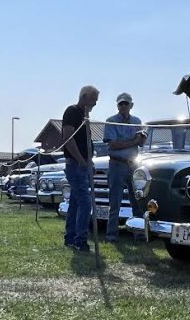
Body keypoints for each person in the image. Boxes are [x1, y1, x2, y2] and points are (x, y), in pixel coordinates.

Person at [103, 92, 146, 242]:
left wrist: (136, 140)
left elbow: (141, 142)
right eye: (120, 103)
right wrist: (133, 141)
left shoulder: (137, 121)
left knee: (138, 200)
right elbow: (113, 144)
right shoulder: (111, 121)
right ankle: (112, 234)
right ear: (117, 105)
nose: (123, 106)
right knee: (115, 201)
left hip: (133, 165)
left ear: (131, 105)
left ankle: (139, 232)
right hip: (116, 164)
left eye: (125, 103)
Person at [62, 85, 100, 251]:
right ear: (85, 97)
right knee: (85, 202)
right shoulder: (72, 112)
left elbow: (86, 142)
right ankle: (80, 240)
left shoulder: (85, 117)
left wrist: (89, 161)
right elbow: (68, 139)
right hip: (75, 165)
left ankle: (70, 237)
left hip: (83, 164)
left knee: (76, 203)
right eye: (94, 100)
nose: (95, 104)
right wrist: (80, 160)